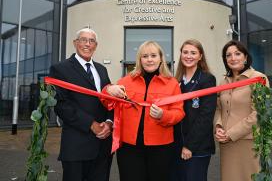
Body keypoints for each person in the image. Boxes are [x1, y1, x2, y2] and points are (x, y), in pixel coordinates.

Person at [103, 41, 185, 181]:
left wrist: (163, 115)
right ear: (139, 59)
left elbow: (179, 112)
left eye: (153, 55)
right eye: (145, 56)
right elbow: (107, 102)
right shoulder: (126, 81)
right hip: (130, 148)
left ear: (160, 58)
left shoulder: (171, 84)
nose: (149, 59)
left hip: (161, 148)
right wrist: (108, 90)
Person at [49, 28, 113, 181]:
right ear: (75, 43)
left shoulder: (102, 69)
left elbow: (110, 100)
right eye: (83, 40)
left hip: (103, 146)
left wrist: (109, 123)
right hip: (77, 146)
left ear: (96, 46)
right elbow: (61, 105)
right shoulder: (60, 69)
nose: (87, 44)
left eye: (91, 41)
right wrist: (91, 124)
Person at [214, 40, 269, 181]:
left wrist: (231, 133)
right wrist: (218, 126)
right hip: (227, 144)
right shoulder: (223, 81)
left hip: (249, 143)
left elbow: (260, 113)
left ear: (245, 57)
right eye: (228, 55)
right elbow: (218, 108)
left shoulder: (259, 78)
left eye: (237, 54)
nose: (233, 58)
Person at [171, 39, 217, 181]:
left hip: (197, 147)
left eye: (193, 53)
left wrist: (189, 146)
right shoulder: (175, 80)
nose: (188, 56)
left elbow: (205, 117)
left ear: (200, 56)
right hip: (177, 145)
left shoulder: (207, 79)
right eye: (185, 52)